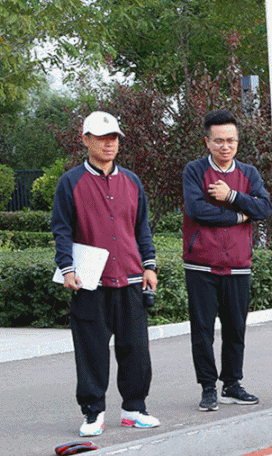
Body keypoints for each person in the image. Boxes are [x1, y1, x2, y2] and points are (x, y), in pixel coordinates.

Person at [53, 111, 160, 437]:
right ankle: (93, 412)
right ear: (85, 140)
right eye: (101, 138)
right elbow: (61, 230)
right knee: (92, 351)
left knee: (136, 349)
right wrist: (67, 268)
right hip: (90, 283)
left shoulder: (132, 181)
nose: (109, 144)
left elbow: (141, 227)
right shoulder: (70, 182)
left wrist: (149, 265)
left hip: (129, 279)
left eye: (113, 138)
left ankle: (134, 408)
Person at [182, 109, 272, 411]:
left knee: (236, 328)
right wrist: (237, 216)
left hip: (238, 264)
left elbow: (263, 209)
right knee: (203, 330)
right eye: (218, 140)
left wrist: (232, 195)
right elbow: (197, 210)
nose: (225, 146)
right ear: (207, 142)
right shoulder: (194, 171)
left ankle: (232, 385)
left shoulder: (248, 174)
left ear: (237, 141)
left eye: (231, 140)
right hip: (201, 264)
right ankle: (208, 388)